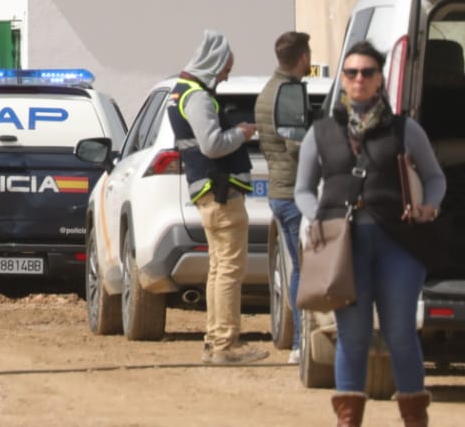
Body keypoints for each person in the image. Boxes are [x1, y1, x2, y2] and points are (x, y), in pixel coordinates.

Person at [295, 41, 446, 427]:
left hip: (400, 245)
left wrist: (430, 206)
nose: (359, 79)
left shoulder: (405, 129)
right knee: (353, 335)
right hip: (343, 250)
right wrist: (317, 220)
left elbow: (434, 177)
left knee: (399, 334)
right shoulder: (322, 132)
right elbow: (303, 189)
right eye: (351, 73)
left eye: (367, 72)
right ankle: (349, 421)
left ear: (380, 80)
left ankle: (414, 419)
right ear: (342, 81)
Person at [168, 29, 268, 365]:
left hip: (211, 194)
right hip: (221, 194)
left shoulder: (183, 92)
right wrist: (241, 133)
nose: (226, 75)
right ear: (213, 62)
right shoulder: (196, 96)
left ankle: (216, 341)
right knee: (229, 270)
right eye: (226, 68)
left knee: (218, 268)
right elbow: (212, 144)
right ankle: (225, 345)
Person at [256, 29, 311, 364]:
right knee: (304, 269)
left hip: (281, 190)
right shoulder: (288, 93)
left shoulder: (268, 91)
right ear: (303, 57)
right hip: (293, 192)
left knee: (297, 268)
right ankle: (301, 342)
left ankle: (300, 341)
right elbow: (296, 144)